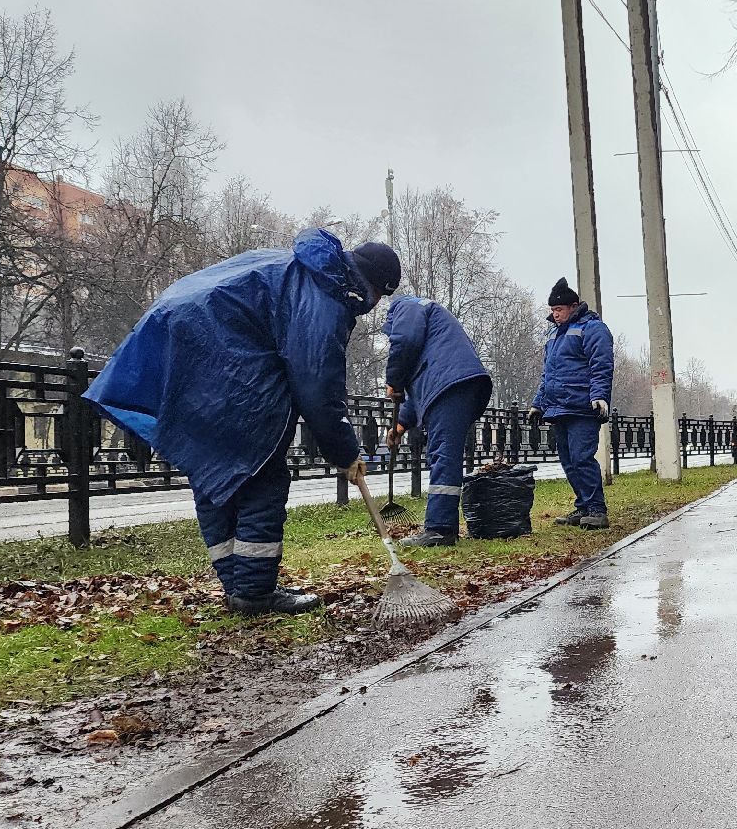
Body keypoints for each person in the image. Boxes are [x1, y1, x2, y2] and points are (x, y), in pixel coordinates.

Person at [86, 229, 400, 616]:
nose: (374, 305)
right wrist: (345, 451)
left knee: (215, 477)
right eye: (380, 297)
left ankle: (239, 586)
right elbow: (317, 382)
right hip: (229, 372)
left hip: (185, 359)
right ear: (373, 287)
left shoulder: (292, 266)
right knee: (261, 480)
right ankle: (253, 592)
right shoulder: (325, 293)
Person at [382, 295, 492, 547]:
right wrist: (399, 426)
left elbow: (404, 340)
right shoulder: (431, 346)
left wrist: (394, 380)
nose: (390, 338)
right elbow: (420, 393)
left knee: (443, 455)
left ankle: (439, 529)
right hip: (452, 386)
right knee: (442, 454)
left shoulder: (405, 306)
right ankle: (443, 527)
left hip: (452, 386)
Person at [528, 278, 613, 530]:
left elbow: (601, 366)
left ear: (573, 307)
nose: (555, 315)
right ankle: (584, 507)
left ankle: (597, 509)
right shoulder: (554, 335)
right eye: (552, 311)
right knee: (568, 460)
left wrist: (599, 397)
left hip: (582, 407)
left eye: (559, 310)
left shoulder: (593, 329)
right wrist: (538, 403)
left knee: (582, 458)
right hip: (559, 407)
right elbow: (549, 374)